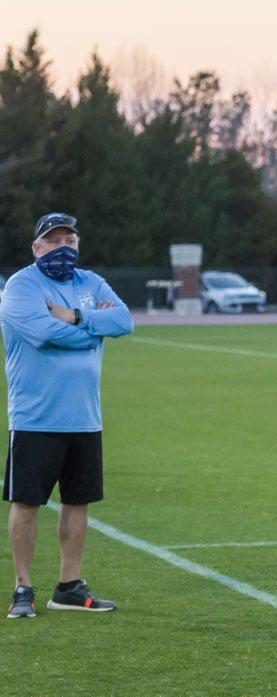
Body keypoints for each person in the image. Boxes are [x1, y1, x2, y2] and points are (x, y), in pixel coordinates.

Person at [2, 213, 134, 619]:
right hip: (35, 418)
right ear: (37, 247)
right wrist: (94, 327)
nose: (63, 247)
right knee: (26, 504)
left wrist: (75, 316)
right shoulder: (21, 286)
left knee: (78, 502)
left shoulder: (90, 283)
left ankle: (69, 586)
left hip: (85, 417)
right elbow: (44, 333)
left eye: (69, 240)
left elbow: (124, 321)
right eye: (54, 240)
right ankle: (23, 587)